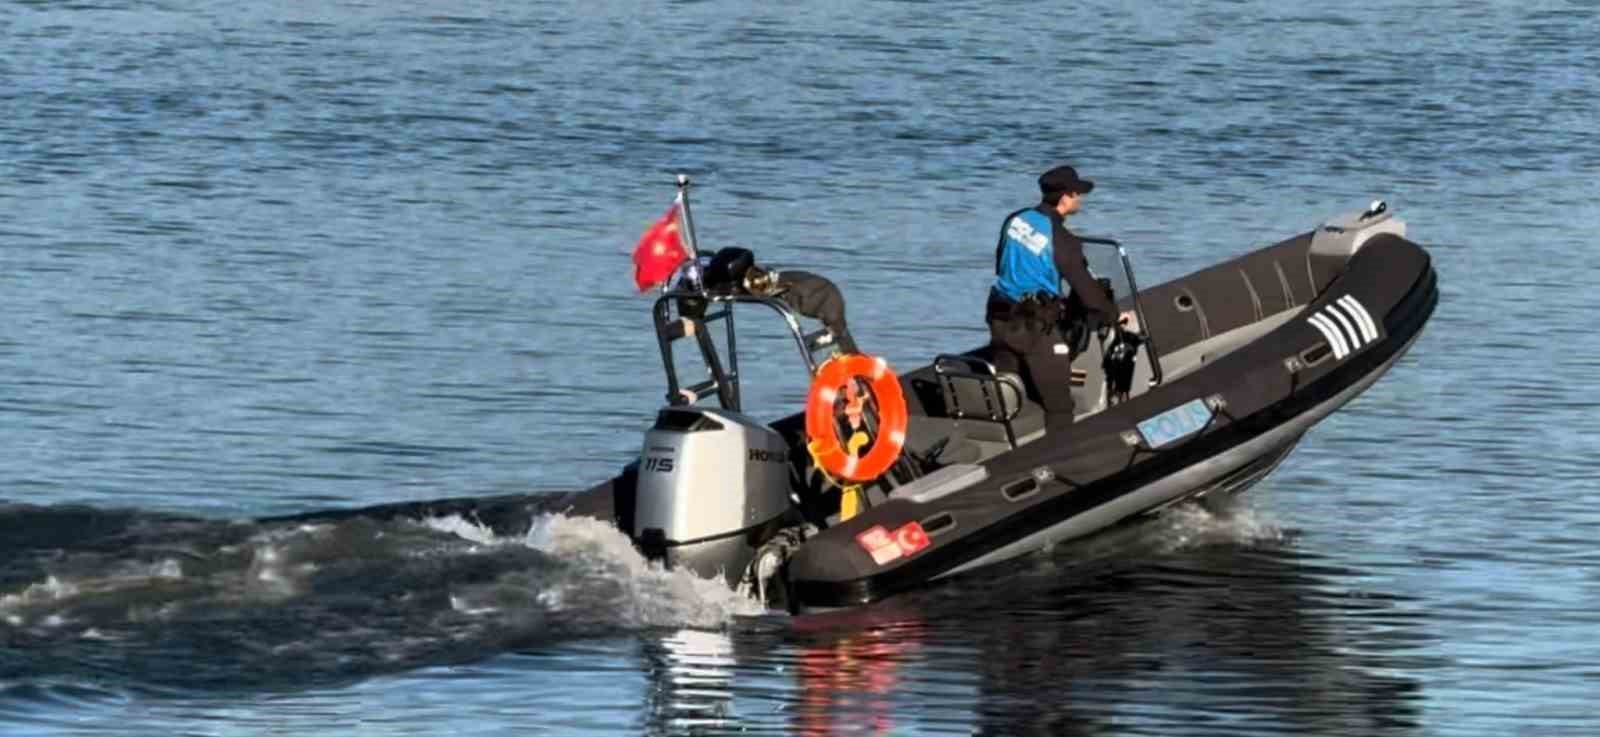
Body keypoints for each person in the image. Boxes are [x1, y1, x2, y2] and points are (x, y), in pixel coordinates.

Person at [986, 165, 1132, 428]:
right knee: (1061, 406)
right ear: (1065, 198)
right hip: (1034, 328)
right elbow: (1089, 294)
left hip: (999, 320)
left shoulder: (1015, 219)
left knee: (1007, 395)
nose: (1080, 199)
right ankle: (1059, 460)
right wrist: (1113, 315)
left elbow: (1001, 266)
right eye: (1078, 193)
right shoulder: (1064, 241)